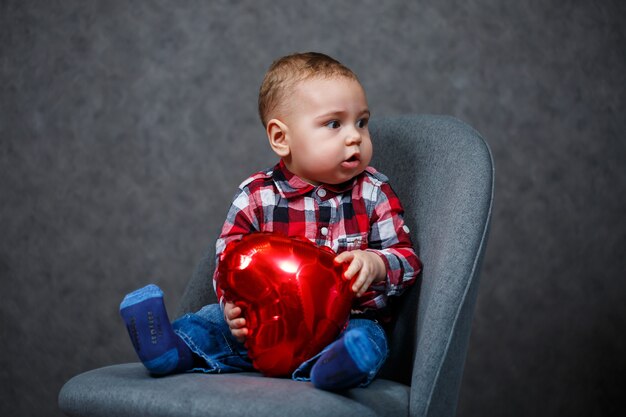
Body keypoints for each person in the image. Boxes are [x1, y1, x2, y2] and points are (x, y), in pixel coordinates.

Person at [120, 52, 422, 390]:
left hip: (344, 321)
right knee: (211, 322)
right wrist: (232, 306)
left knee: (368, 337)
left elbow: (408, 260)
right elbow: (227, 260)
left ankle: (335, 368)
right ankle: (171, 348)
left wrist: (377, 264)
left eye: (362, 122)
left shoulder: (373, 192)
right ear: (281, 138)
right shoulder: (257, 196)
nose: (355, 137)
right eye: (335, 124)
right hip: (266, 326)